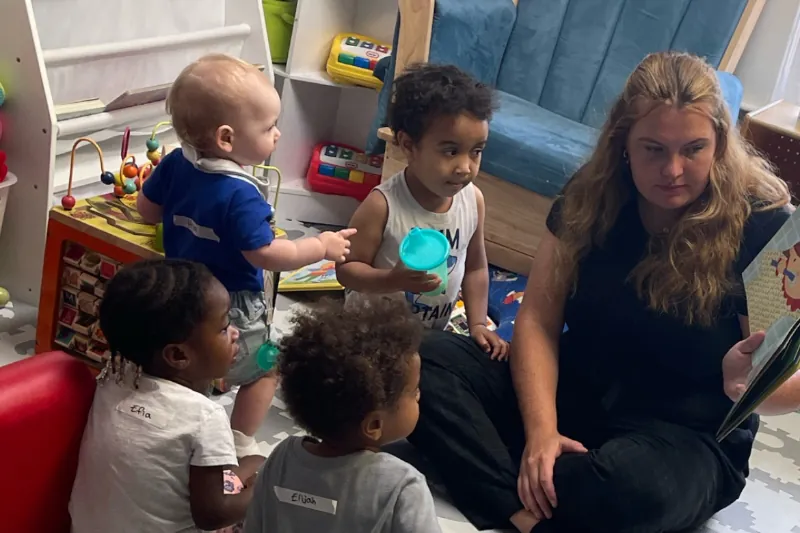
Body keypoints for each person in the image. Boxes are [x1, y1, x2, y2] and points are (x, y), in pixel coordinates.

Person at [406, 51, 800, 533]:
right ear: (624, 145)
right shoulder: (588, 194)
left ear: (719, 142)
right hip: (574, 394)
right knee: (417, 362)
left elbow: (788, 382)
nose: (673, 169)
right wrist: (541, 431)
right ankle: (526, 508)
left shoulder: (767, 225)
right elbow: (537, 321)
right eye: (653, 149)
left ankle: (515, 486)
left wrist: (749, 387)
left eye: (693, 148)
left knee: (629, 492)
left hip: (683, 435)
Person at [137, 54, 355, 458]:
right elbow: (267, 254)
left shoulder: (174, 163)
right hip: (230, 307)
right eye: (269, 127)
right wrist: (319, 247)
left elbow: (146, 211)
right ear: (226, 139)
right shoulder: (241, 194)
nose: (277, 134)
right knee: (264, 371)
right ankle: (238, 442)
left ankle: (179, 431)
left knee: (189, 367)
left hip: (177, 293)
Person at [69, 259, 263, 532]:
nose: (235, 333)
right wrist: (267, 484)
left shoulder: (113, 378)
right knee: (263, 474)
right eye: (223, 327)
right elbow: (214, 514)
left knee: (252, 462)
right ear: (178, 355)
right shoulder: (205, 417)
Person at [336, 64, 508, 359]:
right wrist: (392, 280)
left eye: (476, 151)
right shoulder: (382, 205)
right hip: (369, 336)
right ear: (408, 145)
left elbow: (477, 267)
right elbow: (346, 271)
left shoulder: (473, 201)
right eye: (451, 151)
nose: (465, 167)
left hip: (429, 338)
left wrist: (477, 323)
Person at [243, 297, 442, 533]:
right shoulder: (402, 486)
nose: (419, 395)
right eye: (413, 392)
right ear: (374, 424)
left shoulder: (281, 458)